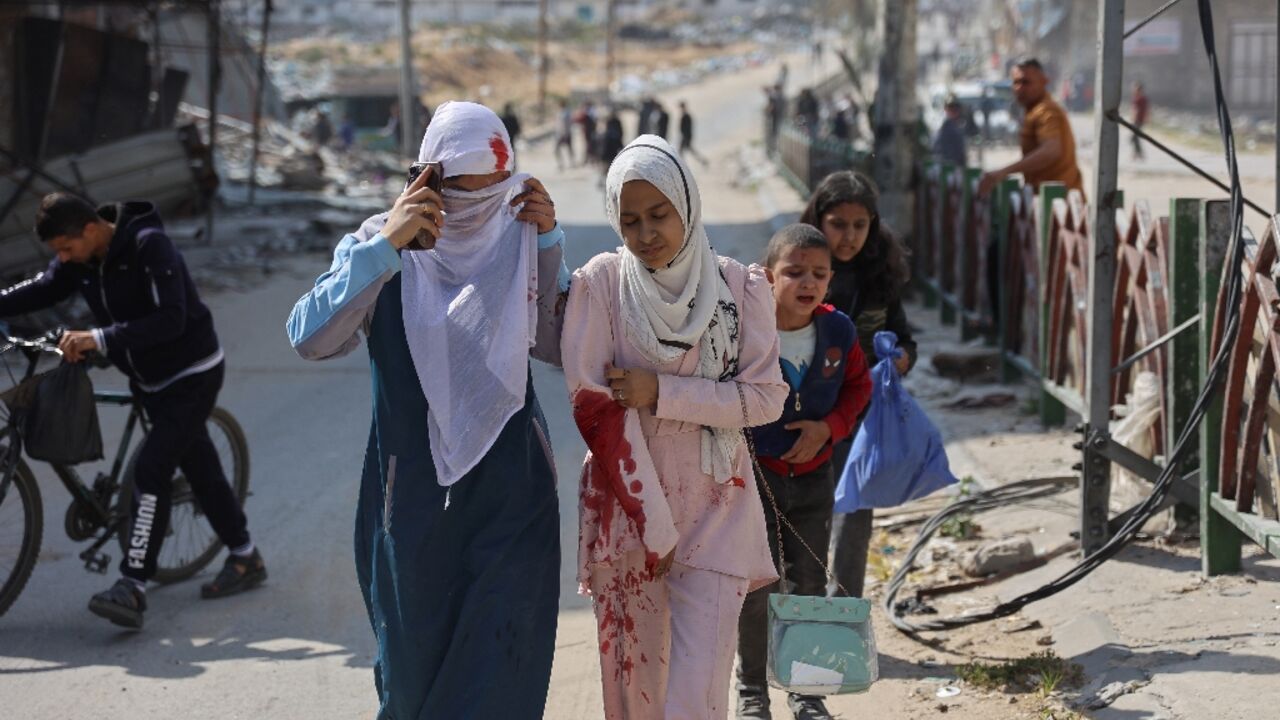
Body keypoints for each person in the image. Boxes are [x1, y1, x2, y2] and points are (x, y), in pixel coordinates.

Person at [286, 101, 569, 719]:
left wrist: (548, 247)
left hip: (512, 488)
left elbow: (556, 344)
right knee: (414, 674)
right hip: (412, 494)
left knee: (505, 663)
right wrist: (386, 246)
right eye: (460, 201)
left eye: (492, 198)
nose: (476, 219)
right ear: (425, 183)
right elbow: (310, 337)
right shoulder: (376, 247)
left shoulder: (520, 236)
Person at [562, 135, 786, 719]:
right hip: (630, 513)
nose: (646, 234)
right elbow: (594, 405)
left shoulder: (740, 288)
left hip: (718, 507)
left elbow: (765, 399)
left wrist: (660, 391)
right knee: (635, 693)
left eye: (659, 214)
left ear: (688, 203)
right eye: (630, 220)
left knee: (698, 698)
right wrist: (652, 524)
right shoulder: (602, 286)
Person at [0, 193, 264, 629]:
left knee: (151, 470)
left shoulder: (148, 246)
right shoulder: (82, 261)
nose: (63, 259)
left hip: (191, 374)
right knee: (200, 469)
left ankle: (133, 586)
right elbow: (45, 288)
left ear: (89, 230)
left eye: (65, 248)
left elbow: (172, 319)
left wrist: (99, 339)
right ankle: (245, 555)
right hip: (147, 378)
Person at [735, 224, 871, 720]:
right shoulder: (748, 331)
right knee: (757, 588)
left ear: (830, 281)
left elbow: (859, 387)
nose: (806, 283)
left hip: (815, 479)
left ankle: (807, 693)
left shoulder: (838, 331)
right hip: (757, 479)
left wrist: (829, 428)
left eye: (818, 273)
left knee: (808, 587)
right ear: (769, 277)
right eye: (794, 272)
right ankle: (751, 694)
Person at [798, 171, 916, 600]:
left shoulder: (880, 274)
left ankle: (843, 615)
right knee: (804, 519)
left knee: (855, 519)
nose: (849, 237)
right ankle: (802, 615)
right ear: (819, 221)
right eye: (838, 224)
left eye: (859, 226)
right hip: (803, 416)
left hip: (860, 417)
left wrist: (901, 358)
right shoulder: (798, 267)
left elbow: (904, 336)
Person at [977, 57, 1083, 196]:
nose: (1020, 88)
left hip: (1060, 205)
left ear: (1044, 82)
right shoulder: (1032, 111)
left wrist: (1004, 172)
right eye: (1016, 82)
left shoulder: (1046, 110)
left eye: (1026, 82)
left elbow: (1051, 151)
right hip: (1043, 201)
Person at [933, 96, 968, 167]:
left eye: (955, 109)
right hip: (949, 163)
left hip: (957, 162)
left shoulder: (959, 123)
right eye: (951, 109)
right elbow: (940, 146)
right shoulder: (946, 125)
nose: (954, 112)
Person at [678, 101, 708, 166]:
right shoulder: (685, 115)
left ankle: (702, 161)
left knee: (684, 151)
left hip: (686, 136)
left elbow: (688, 128)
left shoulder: (686, 116)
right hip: (685, 136)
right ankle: (702, 161)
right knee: (685, 151)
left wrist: (686, 137)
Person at [1130, 81, 1149, 160]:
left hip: (1139, 120)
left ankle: (1138, 153)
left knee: (1134, 137)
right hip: (1136, 120)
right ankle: (1137, 153)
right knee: (1135, 137)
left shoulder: (1142, 99)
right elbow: (1133, 109)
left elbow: (1145, 110)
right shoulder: (1135, 98)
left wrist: (1146, 118)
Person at [555, 99, 575, 170]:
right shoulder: (559, 112)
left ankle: (571, 162)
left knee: (569, 148)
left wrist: (565, 134)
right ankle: (561, 163)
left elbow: (567, 124)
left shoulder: (566, 113)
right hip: (560, 134)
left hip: (565, 134)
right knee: (557, 149)